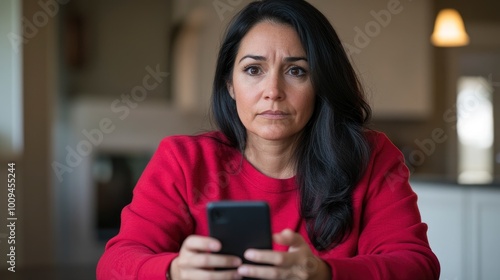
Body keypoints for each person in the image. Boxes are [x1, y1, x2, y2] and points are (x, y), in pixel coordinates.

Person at [96, 0, 440, 279]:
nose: (273, 92)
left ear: (320, 84)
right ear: (229, 84)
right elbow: (114, 265)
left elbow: (417, 266)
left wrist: (324, 273)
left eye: (296, 71)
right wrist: (173, 270)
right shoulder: (183, 160)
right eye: (252, 69)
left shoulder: (372, 157)